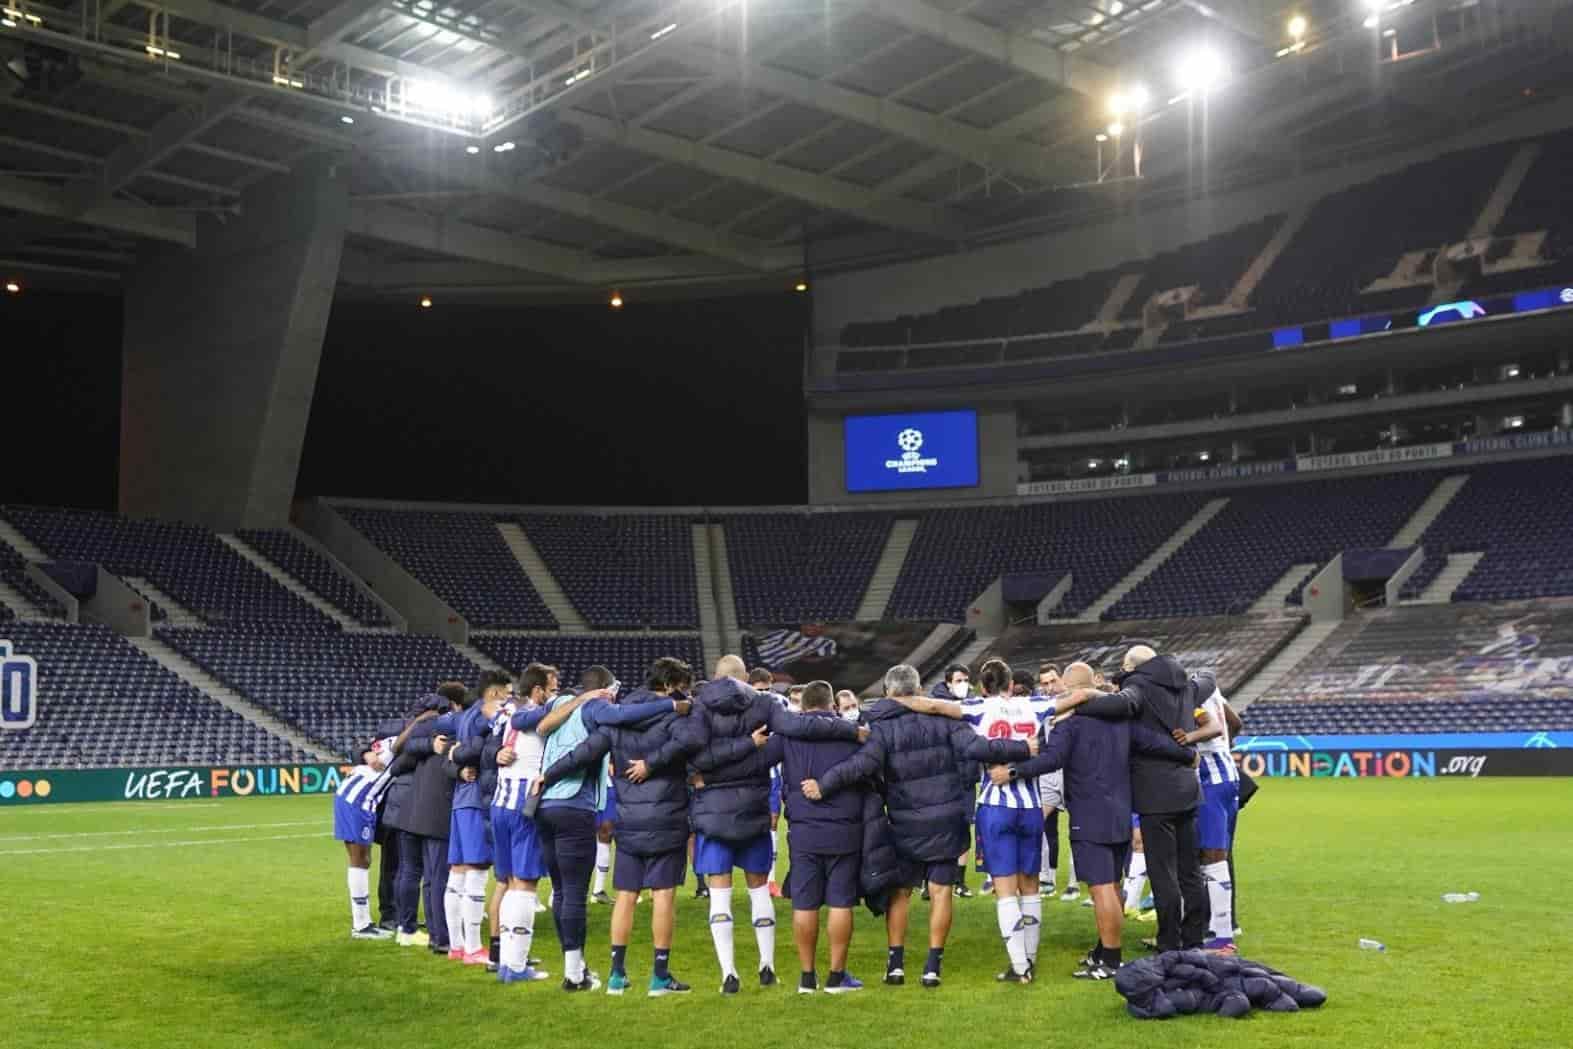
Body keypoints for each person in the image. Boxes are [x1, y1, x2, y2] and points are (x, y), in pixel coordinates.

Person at [804, 664, 1032, 990]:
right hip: (947, 818)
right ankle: (931, 967)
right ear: (920, 691)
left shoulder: (881, 726)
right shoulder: (945, 718)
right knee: (941, 892)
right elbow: (978, 748)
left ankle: (895, 965)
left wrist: (824, 785)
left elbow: (862, 764)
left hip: (905, 820)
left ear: (887, 693)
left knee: (900, 892)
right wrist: (1023, 749)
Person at [990, 661, 1196, 979]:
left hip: (1088, 813)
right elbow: (1155, 743)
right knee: (1111, 886)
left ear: (1074, 691)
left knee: (1101, 890)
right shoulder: (1123, 721)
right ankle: (1103, 950)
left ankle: (1110, 962)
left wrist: (1013, 771)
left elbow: (1051, 759)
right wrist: (1188, 754)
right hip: (1120, 813)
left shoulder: (1070, 724)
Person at [687, 654, 862, 994]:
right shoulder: (765, 703)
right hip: (752, 807)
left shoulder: (699, 707)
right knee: (757, 887)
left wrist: (705, 775)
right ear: (746, 678)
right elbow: (798, 727)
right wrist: (850, 728)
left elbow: (692, 755)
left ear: (716, 678)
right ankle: (766, 967)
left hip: (712, 806)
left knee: (719, 892)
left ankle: (729, 974)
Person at [540, 657, 704, 997]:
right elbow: (690, 745)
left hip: (628, 818)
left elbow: (585, 752)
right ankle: (659, 976)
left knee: (626, 896)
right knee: (663, 895)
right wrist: (656, 763)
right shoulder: (675, 712)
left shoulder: (617, 716)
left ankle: (617, 976)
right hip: (667, 815)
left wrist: (547, 776)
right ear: (672, 684)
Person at [1059, 644, 1210, 951]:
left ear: (1133, 668)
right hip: (1188, 788)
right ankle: (1194, 938)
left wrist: (1075, 702)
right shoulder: (1185, 686)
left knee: (1163, 872)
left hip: (1156, 794)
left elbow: (1119, 706)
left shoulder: (1139, 686)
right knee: (1190, 871)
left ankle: (1169, 941)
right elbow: (1209, 678)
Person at [734, 680, 868, 994]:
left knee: (805, 904)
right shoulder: (852, 733)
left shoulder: (788, 735)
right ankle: (836, 977)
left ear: (803, 707)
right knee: (840, 902)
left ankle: (807, 978)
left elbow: (756, 764)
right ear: (833, 705)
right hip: (844, 827)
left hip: (805, 827)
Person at [964, 659, 1055, 982]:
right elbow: (1074, 698)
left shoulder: (975, 708)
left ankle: (1020, 967)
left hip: (995, 804)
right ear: (1011, 683)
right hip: (1031, 805)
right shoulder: (1036, 705)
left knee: (1004, 889)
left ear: (983, 686)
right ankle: (1029, 959)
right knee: (1030, 886)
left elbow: (935, 706)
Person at [385, 685, 467, 950]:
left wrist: (426, 745)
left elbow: (397, 763)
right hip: (429, 812)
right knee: (433, 875)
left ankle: (406, 927)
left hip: (409, 812)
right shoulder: (451, 732)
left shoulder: (422, 738)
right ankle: (438, 935)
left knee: (412, 872)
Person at [444, 669, 512, 966]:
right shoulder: (485, 717)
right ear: (495, 694)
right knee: (476, 871)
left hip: (460, 799)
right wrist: (459, 757)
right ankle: (472, 948)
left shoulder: (466, 715)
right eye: (507, 694)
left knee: (457, 873)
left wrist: (453, 757)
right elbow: (474, 752)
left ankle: (457, 946)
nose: (509, 699)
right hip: (475, 801)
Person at [1173, 676, 1244, 953]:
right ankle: (1220, 925)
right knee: (1218, 855)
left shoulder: (1186, 698)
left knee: (1212, 858)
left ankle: (1222, 936)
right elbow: (1234, 723)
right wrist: (1226, 748)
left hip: (1209, 781)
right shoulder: (1211, 693)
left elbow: (1213, 727)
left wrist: (1188, 739)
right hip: (1229, 777)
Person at [333, 736, 396, 939]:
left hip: (356, 798)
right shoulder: (400, 740)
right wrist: (364, 753)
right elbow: (359, 749)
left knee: (363, 860)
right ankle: (361, 925)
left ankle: (363, 922)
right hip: (357, 800)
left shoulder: (390, 741)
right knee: (359, 860)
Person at [1031, 663, 1080, 904]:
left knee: (1076, 828)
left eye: (1053, 681)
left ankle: (1073, 883)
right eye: (1045, 683)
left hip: (1075, 771)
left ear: (1062, 679)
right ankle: (1045, 879)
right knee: (1034, 822)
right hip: (1050, 772)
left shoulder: (1076, 700)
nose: (1049, 687)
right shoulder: (1041, 704)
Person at [931, 664, 978, 899]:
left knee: (964, 826)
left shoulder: (974, 702)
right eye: (959, 680)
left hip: (967, 773)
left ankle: (959, 880)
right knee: (940, 826)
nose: (963, 684)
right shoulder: (936, 706)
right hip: (945, 773)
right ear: (948, 683)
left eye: (966, 679)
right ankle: (932, 879)